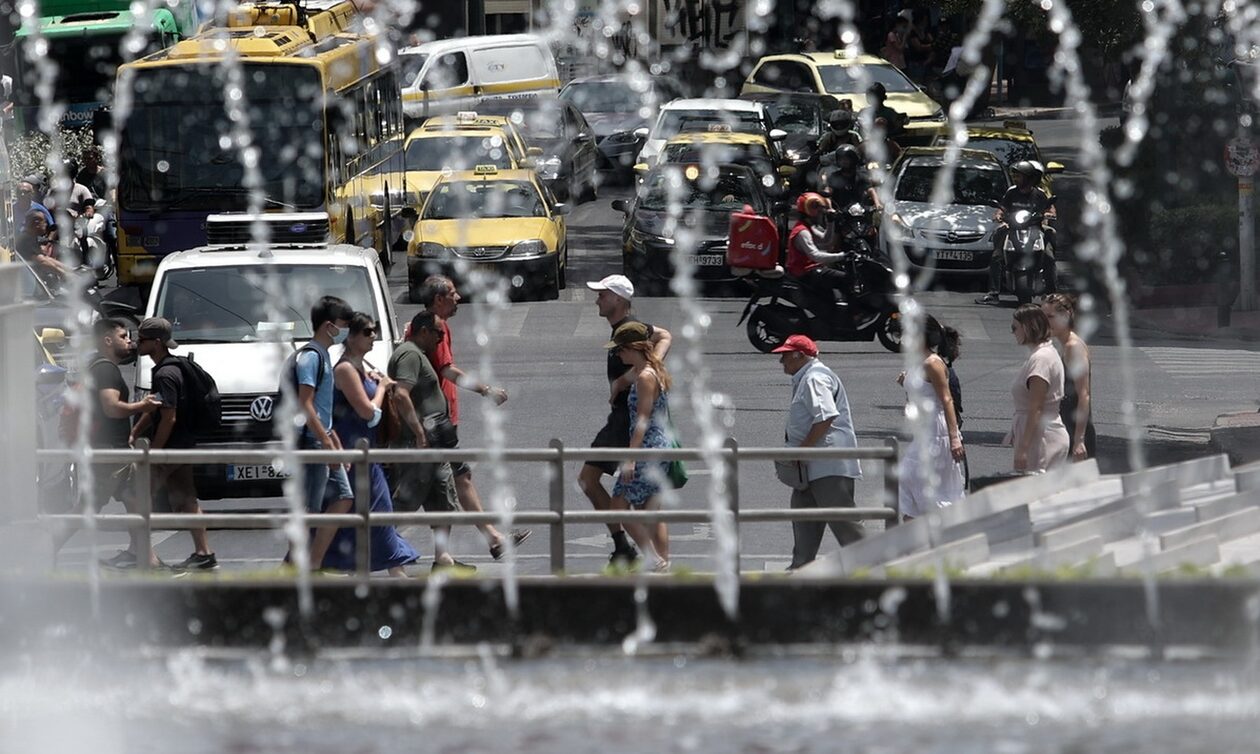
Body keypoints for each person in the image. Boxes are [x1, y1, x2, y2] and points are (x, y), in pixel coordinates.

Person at [416, 275, 530, 560]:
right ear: (439, 299)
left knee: (450, 482)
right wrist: (485, 390)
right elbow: (447, 371)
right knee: (443, 484)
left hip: (438, 421)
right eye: (453, 294)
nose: (458, 298)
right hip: (434, 423)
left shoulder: (432, 326)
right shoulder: (434, 327)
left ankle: (480, 544)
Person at [579, 274, 673, 566]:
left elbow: (664, 338)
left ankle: (632, 550)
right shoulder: (627, 331)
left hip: (626, 421)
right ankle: (655, 561)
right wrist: (631, 377)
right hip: (628, 420)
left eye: (603, 295)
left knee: (589, 479)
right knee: (647, 505)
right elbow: (664, 337)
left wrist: (629, 378)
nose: (598, 299)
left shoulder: (630, 330)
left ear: (618, 299)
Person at [323, 312, 419, 575]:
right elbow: (368, 413)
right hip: (352, 456)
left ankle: (378, 575)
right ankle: (393, 575)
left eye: (374, 331)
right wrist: (381, 388)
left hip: (366, 454)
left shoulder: (362, 365)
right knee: (373, 514)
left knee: (370, 516)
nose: (373, 336)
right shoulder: (344, 369)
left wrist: (376, 381)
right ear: (351, 336)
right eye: (366, 332)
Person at [70, 319, 163, 567]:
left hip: (114, 450)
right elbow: (111, 408)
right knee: (86, 510)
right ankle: (42, 549)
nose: (130, 340)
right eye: (124, 336)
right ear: (107, 340)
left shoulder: (100, 367)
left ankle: (145, 557)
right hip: (108, 453)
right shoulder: (106, 370)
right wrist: (142, 406)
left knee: (135, 500)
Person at [387, 310, 473, 573]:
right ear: (423, 331)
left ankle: (443, 558)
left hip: (435, 443)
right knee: (406, 501)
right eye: (438, 332)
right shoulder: (410, 355)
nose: (441, 337)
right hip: (420, 444)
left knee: (443, 498)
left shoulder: (418, 354)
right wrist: (419, 431)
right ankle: (380, 549)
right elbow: (401, 394)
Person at [129, 317, 217, 570]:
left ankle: (143, 558)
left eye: (142, 340)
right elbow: (155, 407)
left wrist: (154, 452)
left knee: (136, 497)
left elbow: (169, 416)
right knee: (187, 499)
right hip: (183, 444)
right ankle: (204, 554)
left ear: (156, 343)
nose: (137, 343)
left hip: (170, 448)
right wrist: (135, 430)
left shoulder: (166, 373)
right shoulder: (174, 367)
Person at [774, 334, 864, 570]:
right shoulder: (807, 377)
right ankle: (800, 567)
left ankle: (874, 568)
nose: (781, 361)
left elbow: (825, 416)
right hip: (812, 465)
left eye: (785, 355)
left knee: (844, 524)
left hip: (827, 464)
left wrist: (802, 451)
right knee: (804, 518)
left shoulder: (815, 378)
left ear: (799, 355)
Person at [293, 296, 358, 571]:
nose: (347, 330)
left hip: (324, 438)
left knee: (342, 498)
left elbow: (322, 409)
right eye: (344, 324)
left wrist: (334, 441)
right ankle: (302, 566)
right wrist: (325, 443)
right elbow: (305, 405)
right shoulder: (311, 357)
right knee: (312, 508)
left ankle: (313, 563)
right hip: (313, 442)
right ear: (329, 326)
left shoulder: (323, 356)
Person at [606, 322, 675, 572]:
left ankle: (653, 558)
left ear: (633, 348)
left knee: (618, 506)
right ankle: (663, 563)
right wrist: (617, 387)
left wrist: (631, 458)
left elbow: (642, 420)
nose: (618, 355)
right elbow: (665, 336)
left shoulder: (645, 376)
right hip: (657, 447)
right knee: (650, 511)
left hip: (647, 448)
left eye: (620, 350)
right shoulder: (650, 369)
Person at [896, 316, 966, 519]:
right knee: (910, 483)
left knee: (926, 487)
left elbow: (947, 400)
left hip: (937, 432)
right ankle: (913, 544)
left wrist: (954, 438)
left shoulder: (933, 363)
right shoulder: (916, 363)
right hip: (922, 431)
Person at [976, 160, 1057, 305]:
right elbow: (1002, 207)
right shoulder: (1011, 192)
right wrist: (999, 215)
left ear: (1028, 178)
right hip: (1013, 227)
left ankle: (1052, 294)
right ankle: (993, 293)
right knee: (996, 256)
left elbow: (1049, 208)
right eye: (1015, 175)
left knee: (1049, 256)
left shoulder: (1039, 194)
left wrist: (1048, 214)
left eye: (1019, 176)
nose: (1016, 178)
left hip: (1035, 228)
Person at [1007, 304, 1070, 472]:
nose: (1012, 332)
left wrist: (1024, 448)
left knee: (1036, 494)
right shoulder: (1043, 353)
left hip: (1041, 439)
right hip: (1041, 435)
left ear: (1028, 328)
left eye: (1015, 327)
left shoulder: (1041, 359)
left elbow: (1036, 407)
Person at [1042, 293, 1095, 460]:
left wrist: (1079, 440)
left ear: (1065, 316)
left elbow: (1084, 395)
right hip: (1065, 424)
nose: (1045, 322)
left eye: (1050, 316)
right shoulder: (1064, 345)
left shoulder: (1074, 347)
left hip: (1076, 429)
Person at [786, 192, 849, 306]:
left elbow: (825, 240)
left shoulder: (807, 227)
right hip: (805, 273)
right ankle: (853, 314)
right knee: (846, 279)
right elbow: (815, 255)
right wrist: (842, 256)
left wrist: (831, 222)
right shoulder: (802, 232)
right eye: (816, 208)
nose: (820, 212)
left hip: (810, 270)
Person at [905, 10, 935, 81]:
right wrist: (932, 46)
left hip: (926, 62)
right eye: (924, 20)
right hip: (916, 63)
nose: (926, 22)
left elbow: (932, 41)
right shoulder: (912, 33)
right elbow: (918, 47)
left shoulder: (925, 32)